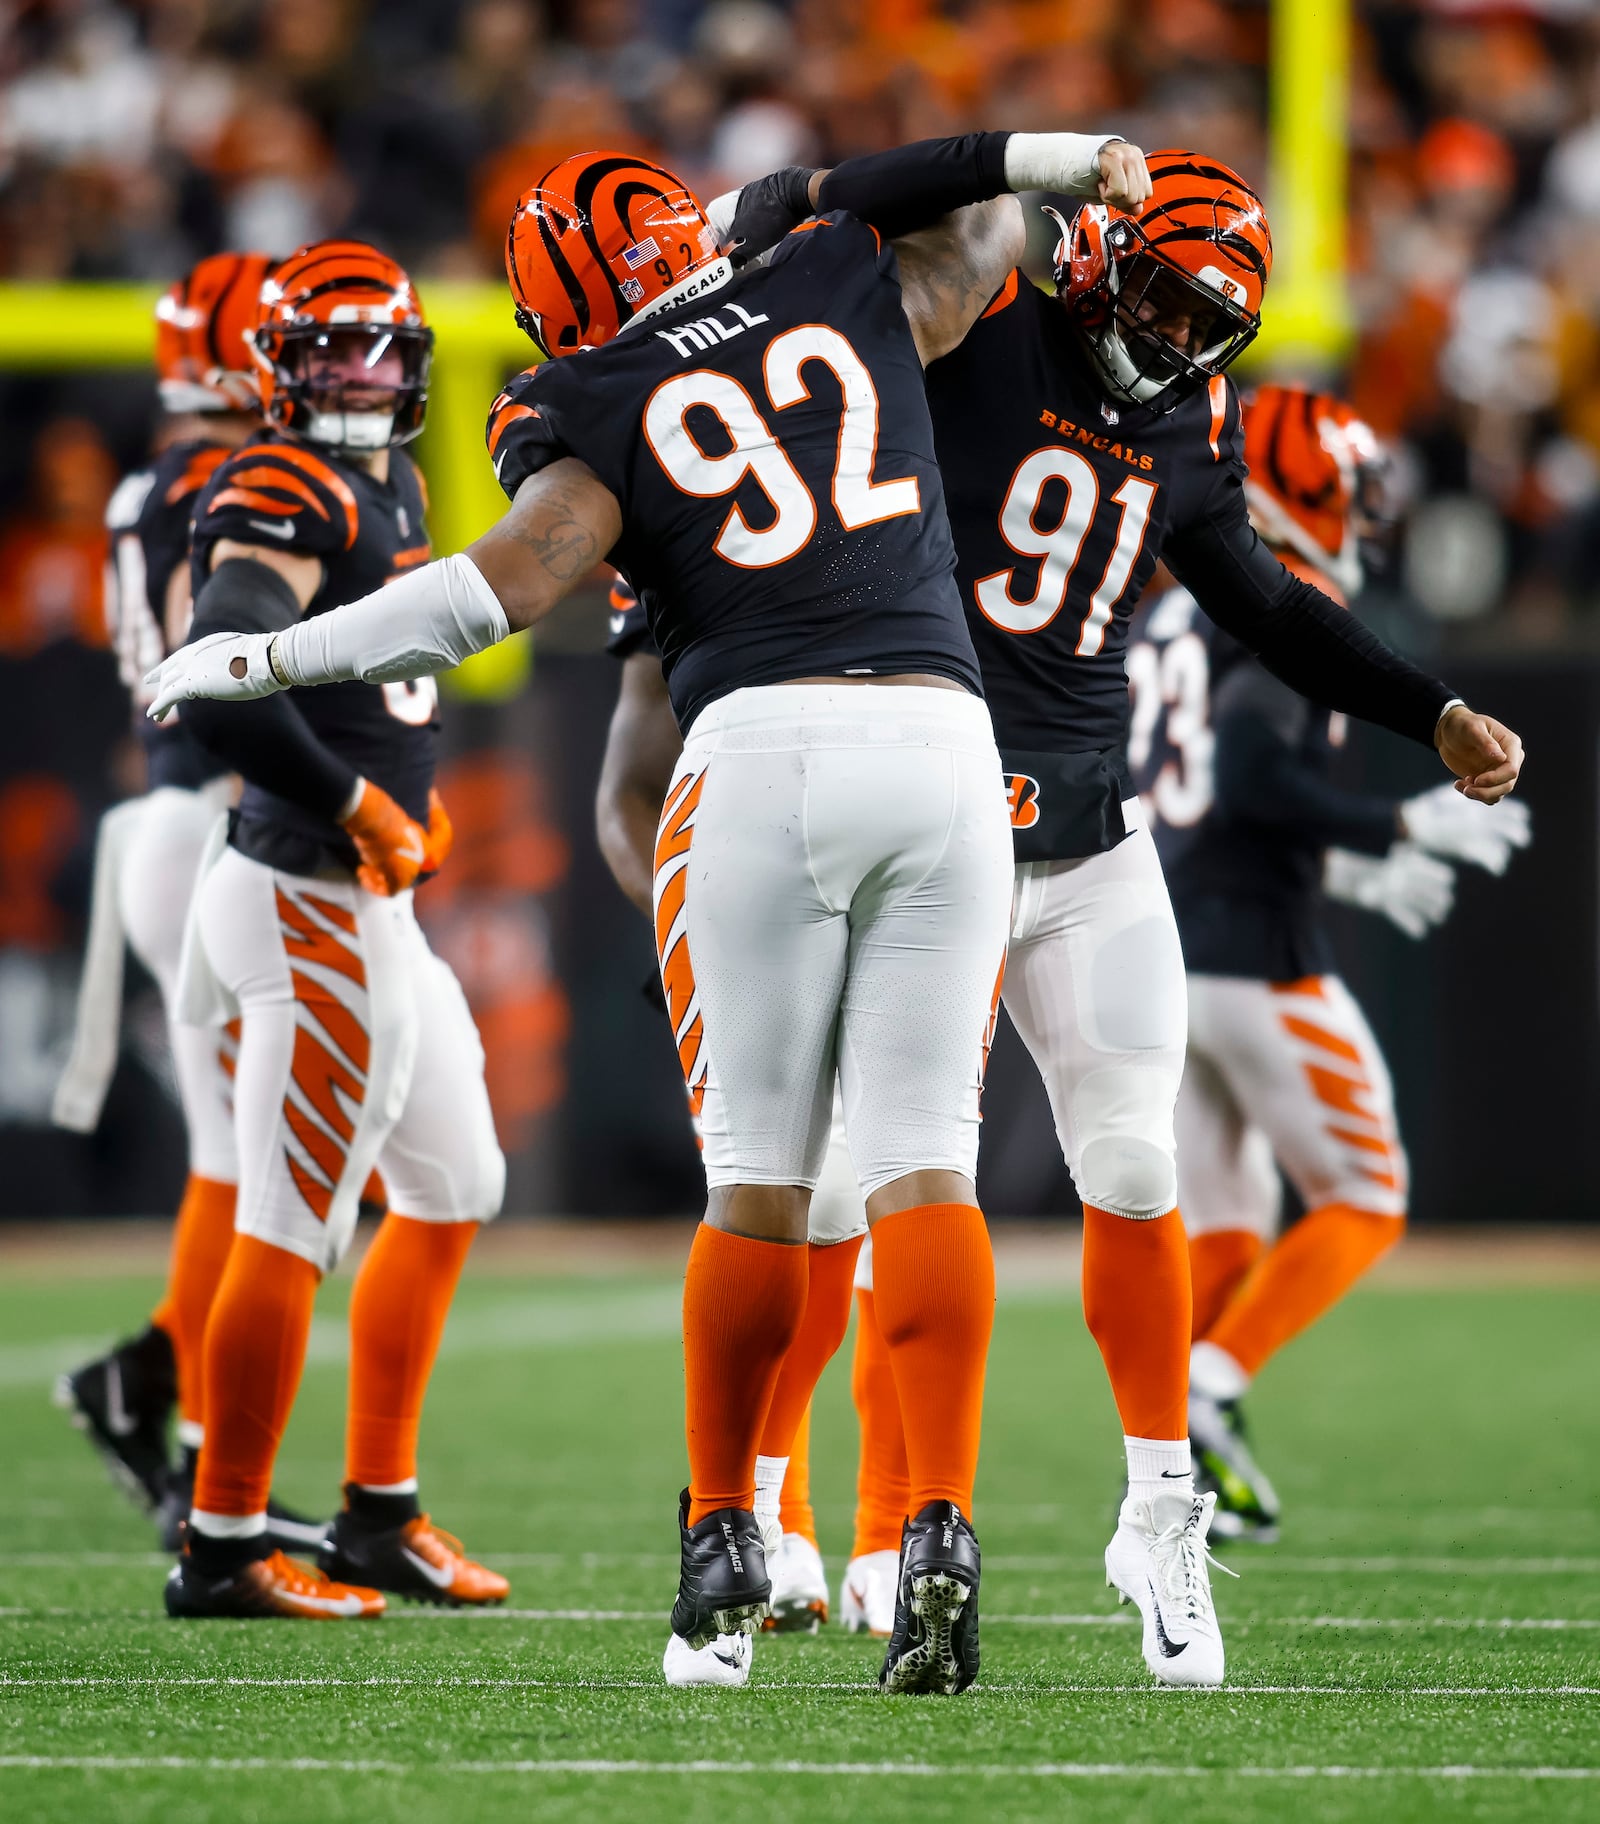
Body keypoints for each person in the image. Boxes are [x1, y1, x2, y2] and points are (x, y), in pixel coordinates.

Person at [142, 140, 1158, 1692]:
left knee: (758, 1180)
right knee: (923, 1164)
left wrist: (273, 662)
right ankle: (941, 1527)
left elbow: (497, 589)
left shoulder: (584, 396)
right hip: (950, 747)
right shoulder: (829, 270)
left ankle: (725, 1549)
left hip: (760, 750)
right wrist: (1010, 165)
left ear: (553, 294)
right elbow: (981, 230)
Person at [706, 136, 1525, 1688]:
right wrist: (1025, 157)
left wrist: (1437, 712)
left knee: (1136, 1161)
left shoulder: (1189, 423)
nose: (1171, 335)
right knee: (852, 1196)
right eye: (1155, 291)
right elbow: (828, 202)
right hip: (931, 809)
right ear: (1089, 244)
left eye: (1205, 320)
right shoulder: (965, 313)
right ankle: (802, 1510)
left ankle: (1160, 1514)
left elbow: (1276, 611)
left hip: (1087, 832)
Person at [157, 239, 509, 1620]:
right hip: (306, 887)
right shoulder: (282, 482)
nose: (359, 377)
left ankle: (375, 1511)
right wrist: (361, 801)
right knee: (291, 1221)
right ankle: (224, 1542)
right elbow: (224, 680)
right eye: (329, 351)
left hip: (369, 911)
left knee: (455, 1182)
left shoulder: (393, 480)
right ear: (277, 368)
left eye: (381, 350)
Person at [1126, 384, 1530, 1540]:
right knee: (1365, 1192)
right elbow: (1251, 770)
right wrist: (1388, 831)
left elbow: (1191, 791)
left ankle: (1162, 1455)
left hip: (1167, 942)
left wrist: (1345, 865)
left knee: (1227, 1220)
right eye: (1346, 490)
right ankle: (1206, 1391)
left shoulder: (1168, 605)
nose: (1360, 515)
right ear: (1302, 484)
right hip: (1258, 954)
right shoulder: (1285, 599)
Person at [52, 252, 321, 1558]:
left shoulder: (148, 481)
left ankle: (162, 1391)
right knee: (252, 1157)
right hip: (218, 807)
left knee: (246, 1152)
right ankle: (212, 1455)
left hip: (176, 818)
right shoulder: (232, 480)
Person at [594, 575, 866, 1668]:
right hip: (742, 886)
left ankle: (835, 1523)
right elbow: (627, 789)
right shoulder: (672, 520)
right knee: (771, 1191)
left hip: (893, 866)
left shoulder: (899, 488)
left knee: (858, 1197)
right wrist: (680, 914)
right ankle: (750, 1514)